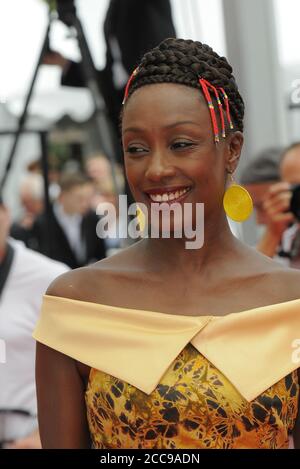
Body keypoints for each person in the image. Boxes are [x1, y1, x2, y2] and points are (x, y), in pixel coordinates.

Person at [34, 38, 300, 449]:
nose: (156, 169)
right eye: (136, 149)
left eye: (180, 144)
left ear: (231, 149)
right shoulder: (77, 303)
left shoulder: (290, 305)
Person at [0, 203, 69, 448]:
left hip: (30, 436)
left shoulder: (51, 279)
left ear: (6, 213)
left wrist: (44, 438)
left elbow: (87, 370)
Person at [32, 172, 107, 269]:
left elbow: (100, 255)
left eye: (88, 198)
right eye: (79, 199)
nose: (85, 204)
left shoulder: (92, 218)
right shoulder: (43, 223)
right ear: (62, 197)